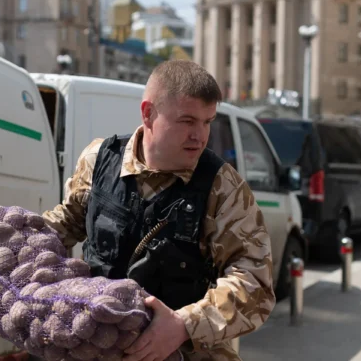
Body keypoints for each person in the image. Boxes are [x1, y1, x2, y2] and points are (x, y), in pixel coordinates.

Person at [42, 60, 275, 361]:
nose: (200, 136)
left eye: (207, 122)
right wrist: (23, 237)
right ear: (148, 113)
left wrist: (183, 326)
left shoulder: (224, 189)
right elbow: (69, 220)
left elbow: (255, 286)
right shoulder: (99, 160)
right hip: (97, 349)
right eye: (188, 121)